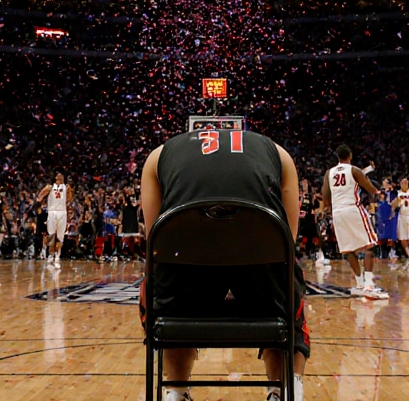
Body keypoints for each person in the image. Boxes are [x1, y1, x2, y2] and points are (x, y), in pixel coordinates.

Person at [140, 126, 310, 401]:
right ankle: (286, 389)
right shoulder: (280, 155)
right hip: (262, 270)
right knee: (290, 282)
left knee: (158, 278)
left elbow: (155, 246)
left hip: (185, 272)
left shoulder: (157, 157)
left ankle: (176, 390)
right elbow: (287, 245)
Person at [322, 146, 388, 299]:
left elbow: (325, 195)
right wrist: (377, 194)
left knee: (349, 250)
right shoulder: (354, 170)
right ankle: (369, 285)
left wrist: (329, 209)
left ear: (337, 157)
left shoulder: (328, 173)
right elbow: (371, 189)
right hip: (352, 209)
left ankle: (359, 285)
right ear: (350, 155)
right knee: (370, 245)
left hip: (337, 212)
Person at [37, 173, 72, 267]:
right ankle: (51, 254)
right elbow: (40, 197)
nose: (60, 176)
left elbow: (69, 200)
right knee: (51, 235)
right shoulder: (50, 187)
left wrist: (69, 192)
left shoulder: (66, 187)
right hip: (52, 212)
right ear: (55, 177)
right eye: (58, 175)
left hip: (62, 212)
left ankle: (57, 256)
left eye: (61, 175)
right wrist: (40, 199)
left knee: (60, 236)